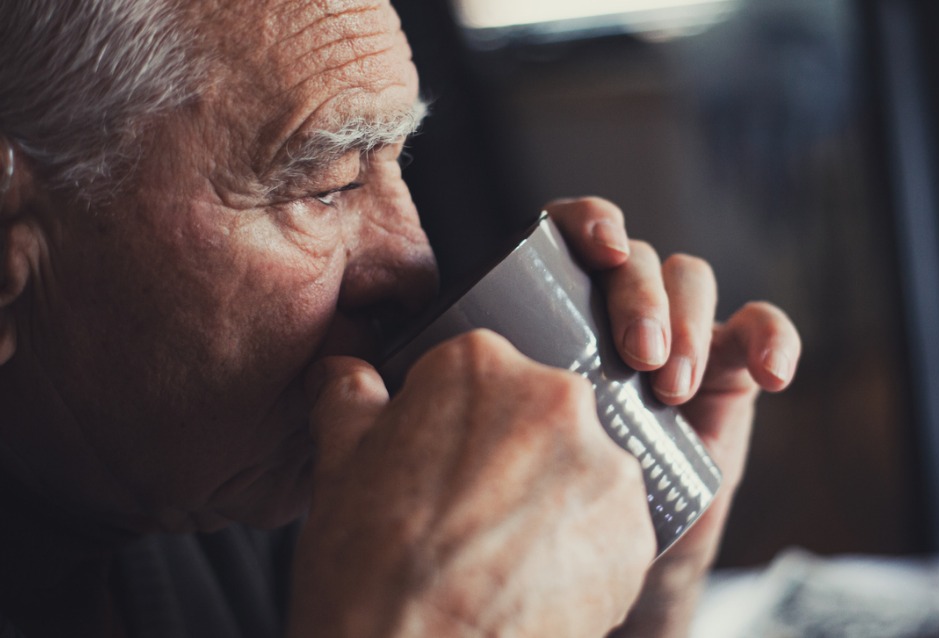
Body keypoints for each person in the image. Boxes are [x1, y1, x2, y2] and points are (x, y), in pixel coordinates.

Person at [0, 0, 801, 636]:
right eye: (323, 185)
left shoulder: (239, 498)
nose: (417, 270)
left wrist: (633, 597)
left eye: (395, 162)